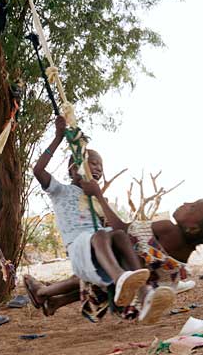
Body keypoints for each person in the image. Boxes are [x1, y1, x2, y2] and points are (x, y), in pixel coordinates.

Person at [27, 115, 173, 323]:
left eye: (101, 167)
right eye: (93, 163)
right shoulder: (60, 191)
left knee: (120, 235)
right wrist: (58, 137)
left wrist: (98, 195)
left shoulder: (96, 200)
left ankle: (144, 289)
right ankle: (119, 277)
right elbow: (38, 170)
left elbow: (119, 227)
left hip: (97, 250)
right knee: (100, 236)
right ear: (73, 167)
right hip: (79, 248)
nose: (98, 169)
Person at [25, 186, 203, 323]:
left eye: (193, 206)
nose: (187, 203)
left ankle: (43, 293)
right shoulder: (184, 255)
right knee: (103, 277)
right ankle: (53, 301)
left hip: (135, 287)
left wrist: (98, 195)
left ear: (193, 229)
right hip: (132, 297)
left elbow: (123, 229)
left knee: (107, 240)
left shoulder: (168, 228)